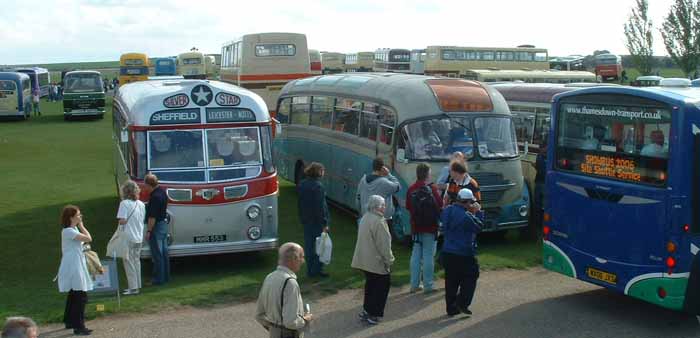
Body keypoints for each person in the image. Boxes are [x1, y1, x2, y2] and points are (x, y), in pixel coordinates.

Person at [351, 195, 395, 325]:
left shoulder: (365, 217)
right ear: (378, 207)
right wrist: (389, 261)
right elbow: (384, 245)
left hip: (364, 260)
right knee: (382, 286)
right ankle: (374, 314)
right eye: (383, 205)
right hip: (376, 261)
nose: (384, 207)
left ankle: (367, 310)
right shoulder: (380, 222)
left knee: (370, 285)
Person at [440, 189, 483, 317]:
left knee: (451, 282)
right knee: (471, 276)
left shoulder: (447, 210)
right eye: (471, 202)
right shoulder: (466, 216)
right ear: (466, 202)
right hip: (464, 253)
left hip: (447, 251)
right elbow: (478, 227)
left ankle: (451, 308)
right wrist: (477, 213)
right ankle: (462, 302)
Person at [255, 242, 313, 338]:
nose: (303, 261)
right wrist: (306, 319)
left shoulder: (270, 277)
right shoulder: (290, 283)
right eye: (301, 257)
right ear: (294, 259)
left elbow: (259, 315)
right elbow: (291, 322)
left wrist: (275, 328)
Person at [57, 205, 94, 335]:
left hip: (76, 262)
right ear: (71, 217)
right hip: (73, 264)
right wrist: (82, 226)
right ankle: (79, 326)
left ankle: (70, 321)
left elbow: (84, 243)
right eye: (78, 215)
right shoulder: (68, 231)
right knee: (80, 295)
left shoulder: (73, 229)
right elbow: (89, 238)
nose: (80, 216)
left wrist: (80, 226)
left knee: (74, 294)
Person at [406, 163, 443, 293]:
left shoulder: (411, 189)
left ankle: (414, 284)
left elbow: (409, 207)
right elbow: (440, 204)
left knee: (415, 255)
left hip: (416, 226)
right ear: (427, 174)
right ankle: (428, 285)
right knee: (428, 256)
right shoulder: (431, 188)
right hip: (431, 227)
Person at [297, 162, 330, 278]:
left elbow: (300, 203)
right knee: (320, 246)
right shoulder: (318, 187)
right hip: (317, 221)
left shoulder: (302, 184)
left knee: (309, 245)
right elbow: (320, 207)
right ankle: (317, 270)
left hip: (306, 219)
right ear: (318, 172)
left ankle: (310, 269)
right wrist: (324, 223)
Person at [116, 180, 146, 295]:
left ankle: (133, 288)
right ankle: (137, 286)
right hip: (139, 236)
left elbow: (122, 220)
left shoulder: (124, 203)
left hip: (128, 236)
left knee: (128, 262)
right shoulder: (141, 204)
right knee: (136, 261)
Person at [356, 157, 400, 229]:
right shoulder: (384, 182)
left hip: (366, 217)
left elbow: (358, 198)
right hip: (382, 220)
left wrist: (360, 212)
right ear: (382, 168)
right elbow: (397, 186)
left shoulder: (363, 180)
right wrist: (389, 174)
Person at [143, 173, 170, 285]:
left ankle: (158, 279)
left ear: (149, 185)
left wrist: (149, 231)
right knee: (164, 253)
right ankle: (165, 277)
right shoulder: (162, 192)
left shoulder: (154, 197)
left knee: (157, 254)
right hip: (163, 225)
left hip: (157, 226)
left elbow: (152, 217)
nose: (145, 188)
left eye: (145, 185)